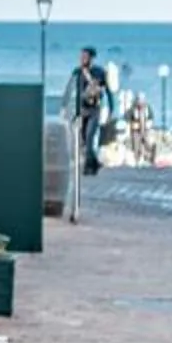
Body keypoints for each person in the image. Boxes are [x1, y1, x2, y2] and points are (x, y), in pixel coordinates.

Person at [62, 45, 107, 222]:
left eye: (85, 56)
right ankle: (93, 163)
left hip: (94, 110)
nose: (82, 58)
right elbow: (69, 89)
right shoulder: (76, 72)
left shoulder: (99, 72)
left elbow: (106, 91)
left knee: (89, 137)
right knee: (81, 140)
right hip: (81, 111)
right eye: (81, 55)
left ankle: (90, 166)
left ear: (91, 57)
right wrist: (64, 105)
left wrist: (110, 109)